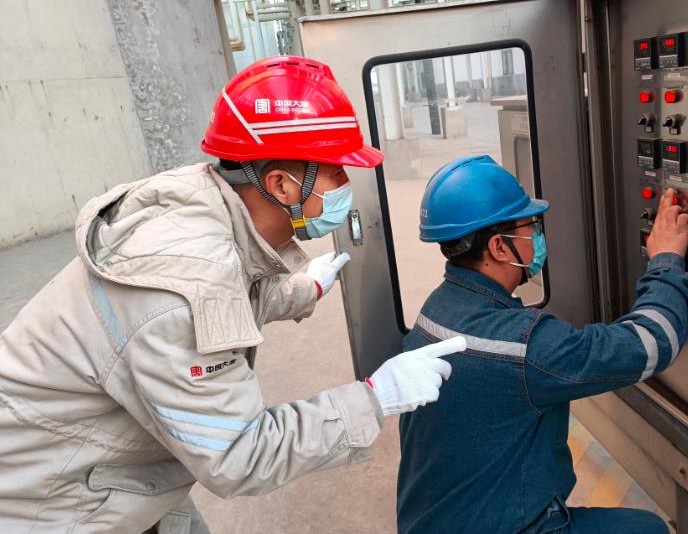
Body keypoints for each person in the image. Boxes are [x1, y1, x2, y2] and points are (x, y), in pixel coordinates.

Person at [0, 56, 465, 533]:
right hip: (55, 500)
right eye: (337, 174)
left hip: (114, 467)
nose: (346, 187)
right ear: (281, 184)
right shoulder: (185, 285)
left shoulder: (206, 201)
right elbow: (240, 453)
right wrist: (374, 398)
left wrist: (304, 289)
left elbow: (230, 299)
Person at [396, 155, 688, 534]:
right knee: (648, 529)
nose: (538, 236)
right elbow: (653, 342)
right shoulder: (521, 346)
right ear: (500, 247)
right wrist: (666, 259)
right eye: (530, 226)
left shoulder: (437, 308)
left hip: (435, 522)